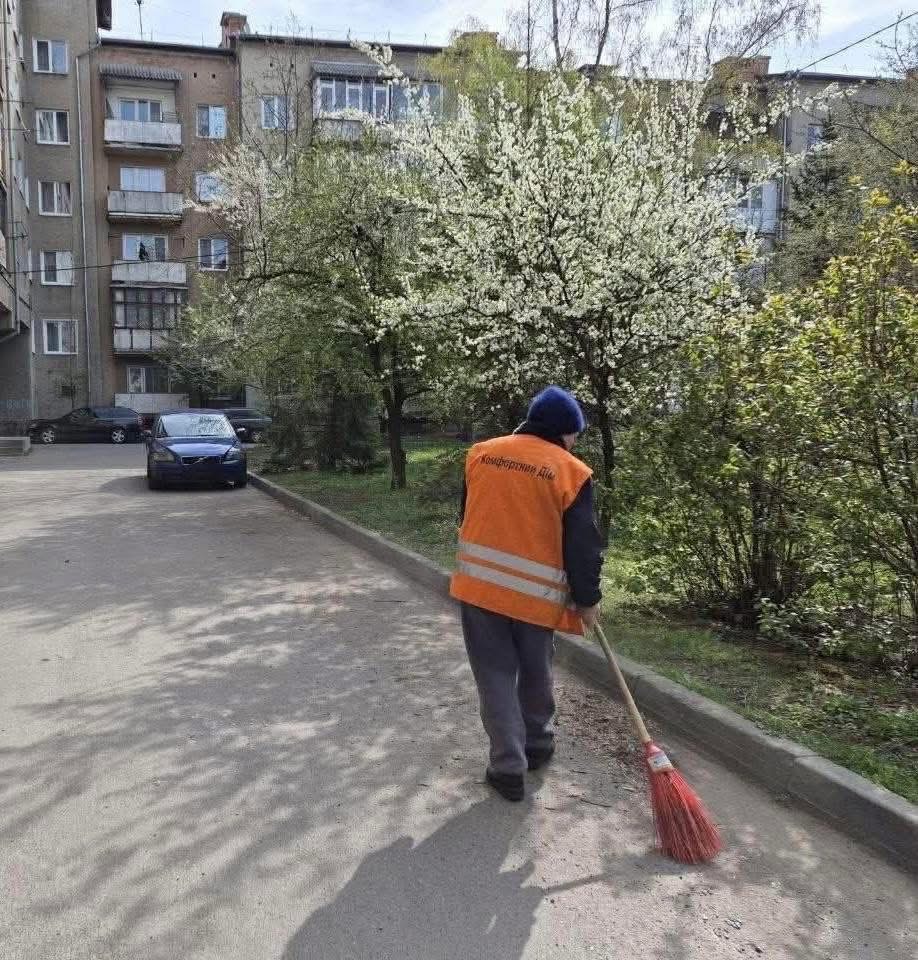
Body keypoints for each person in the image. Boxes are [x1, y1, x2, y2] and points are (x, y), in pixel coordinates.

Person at [451, 386, 604, 802]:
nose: (575, 442)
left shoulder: (481, 453)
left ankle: (507, 769)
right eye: (575, 434)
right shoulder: (572, 471)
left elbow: (468, 515)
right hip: (536, 599)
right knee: (537, 671)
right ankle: (537, 744)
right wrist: (587, 597)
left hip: (481, 590)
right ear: (564, 431)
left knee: (495, 676)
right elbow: (583, 544)